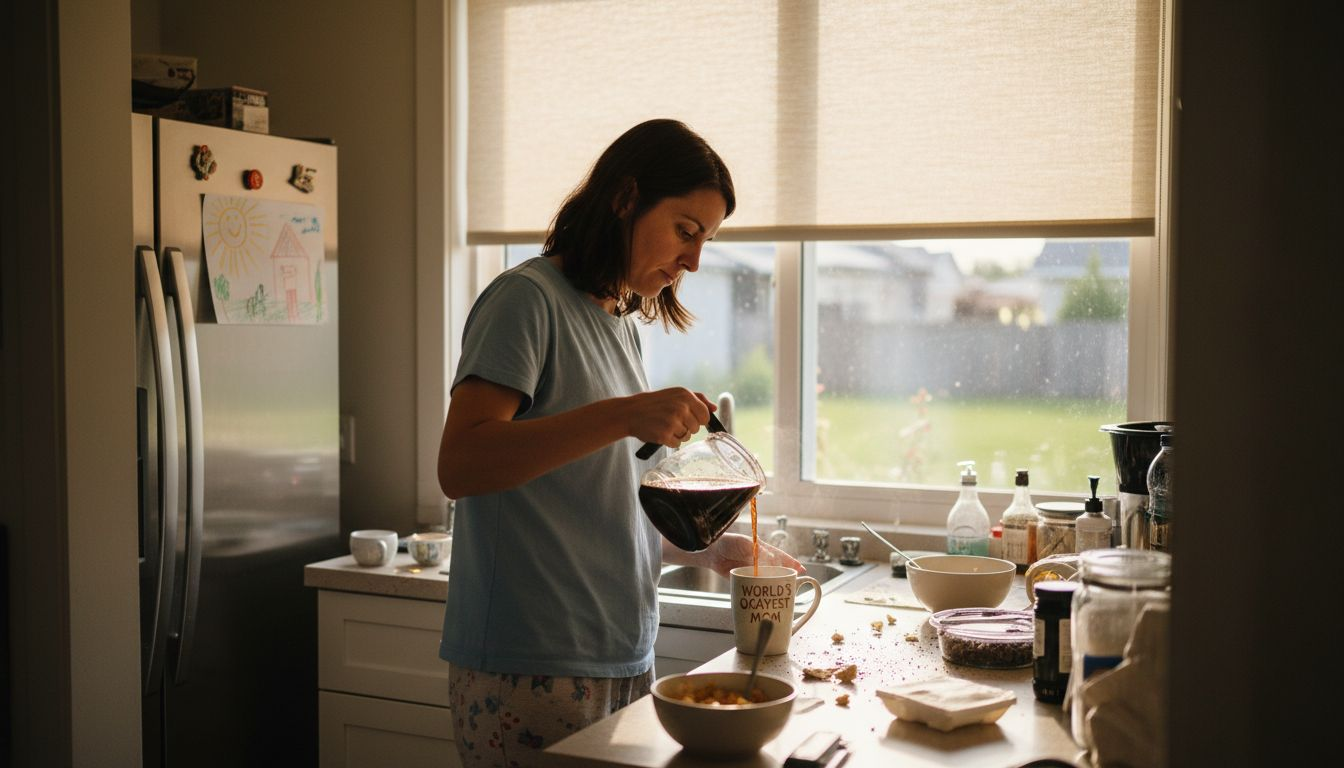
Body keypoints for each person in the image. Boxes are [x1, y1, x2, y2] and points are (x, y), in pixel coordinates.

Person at [436, 119, 801, 767]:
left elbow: (591, 502)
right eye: (686, 231)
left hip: (622, 654)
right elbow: (461, 463)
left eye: (707, 240)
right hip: (531, 662)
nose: (694, 260)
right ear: (625, 198)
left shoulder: (622, 326)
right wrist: (624, 414)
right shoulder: (527, 300)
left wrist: (715, 551)